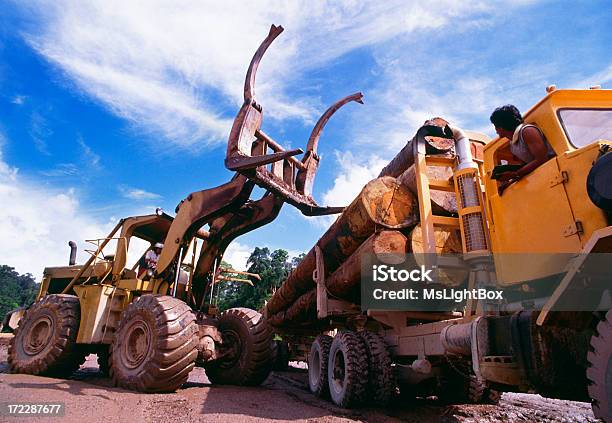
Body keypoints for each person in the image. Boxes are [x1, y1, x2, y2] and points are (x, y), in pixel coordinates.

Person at [490, 104, 555, 194]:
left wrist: (514, 174)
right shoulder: (512, 144)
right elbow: (526, 167)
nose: (496, 130)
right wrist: (508, 183)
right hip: (543, 180)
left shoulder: (527, 131)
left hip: (553, 172)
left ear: (502, 125)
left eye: (496, 126)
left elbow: (542, 159)